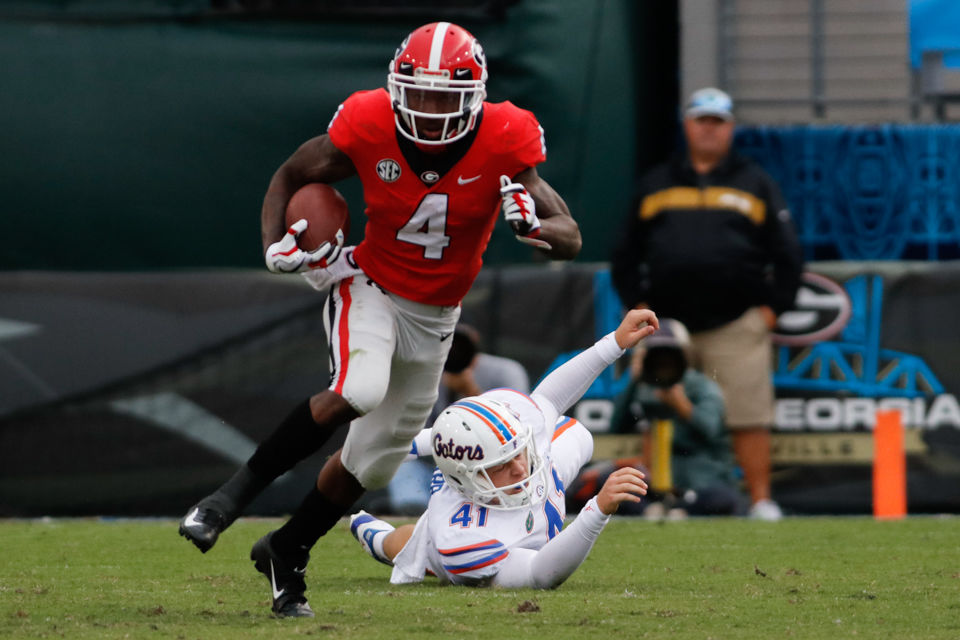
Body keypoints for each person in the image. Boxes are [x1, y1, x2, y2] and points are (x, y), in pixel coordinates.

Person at [178, 22, 581, 617]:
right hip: (368, 284)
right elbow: (293, 174)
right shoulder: (368, 123)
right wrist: (272, 247)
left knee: (376, 460)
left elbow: (570, 237)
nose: (430, 109)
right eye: (418, 94)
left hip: (437, 314)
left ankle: (287, 548)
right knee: (358, 389)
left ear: (475, 98)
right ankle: (224, 501)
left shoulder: (506, 137)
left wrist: (533, 226)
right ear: (397, 88)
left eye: (446, 97)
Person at [349, 308, 658, 588]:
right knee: (411, 545)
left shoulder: (519, 443)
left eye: (517, 453)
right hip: (473, 534)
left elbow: (549, 398)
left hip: (524, 482)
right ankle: (376, 538)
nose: (520, 468)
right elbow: (539, 573)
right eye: (501, 466)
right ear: (466, 479)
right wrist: (596, 510)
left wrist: (615, 342)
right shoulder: (464, 541)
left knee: (576, 433)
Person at [610, 87, 803, 521]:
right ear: (687, 125)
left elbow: (789, 254)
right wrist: (636, 304)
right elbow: (624, 253)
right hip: (666, 322)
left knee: (748, 413)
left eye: (718, 122)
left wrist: (770, 311)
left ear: (730, 128)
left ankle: (760, 500)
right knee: (657, 404)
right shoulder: (656, 182)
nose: (709, 129)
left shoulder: (756, 181)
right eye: (702, 120)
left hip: (735, 321)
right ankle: (655, 497)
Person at [608, 318, 748, 516]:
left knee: (723, 498)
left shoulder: (702, 387)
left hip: (701, 479)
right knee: (609, 484)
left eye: (670, 354)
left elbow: (710, 429)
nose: (664, 362)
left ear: (684, 355)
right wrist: (634, 380)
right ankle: (654, 510)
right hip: (654, 479)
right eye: (656, 354)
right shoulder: (643, 387)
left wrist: (683, 406)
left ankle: (678, 511)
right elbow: (616, 428)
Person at [386, 323, 530, 515]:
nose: (454, 349)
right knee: (409, 501)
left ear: (474, 339)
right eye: (449, 339)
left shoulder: (506, 371)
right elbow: (411, 431)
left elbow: (517, 427)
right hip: (433, 465)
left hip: (489, 468)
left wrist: (470, 390)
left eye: (460, 341)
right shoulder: (422, 374)